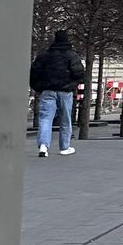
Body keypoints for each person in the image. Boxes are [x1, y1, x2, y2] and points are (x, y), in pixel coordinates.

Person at [28, 30, 86, 158]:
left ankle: (43, 146)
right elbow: (79, 73)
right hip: (65, 91)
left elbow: (34, 72)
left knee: (45, 118)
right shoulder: (72, 55)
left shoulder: (44, 56)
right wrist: (73, 84)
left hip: (48, 90)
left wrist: (38, 87)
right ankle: (64, 147)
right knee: (65, 119)